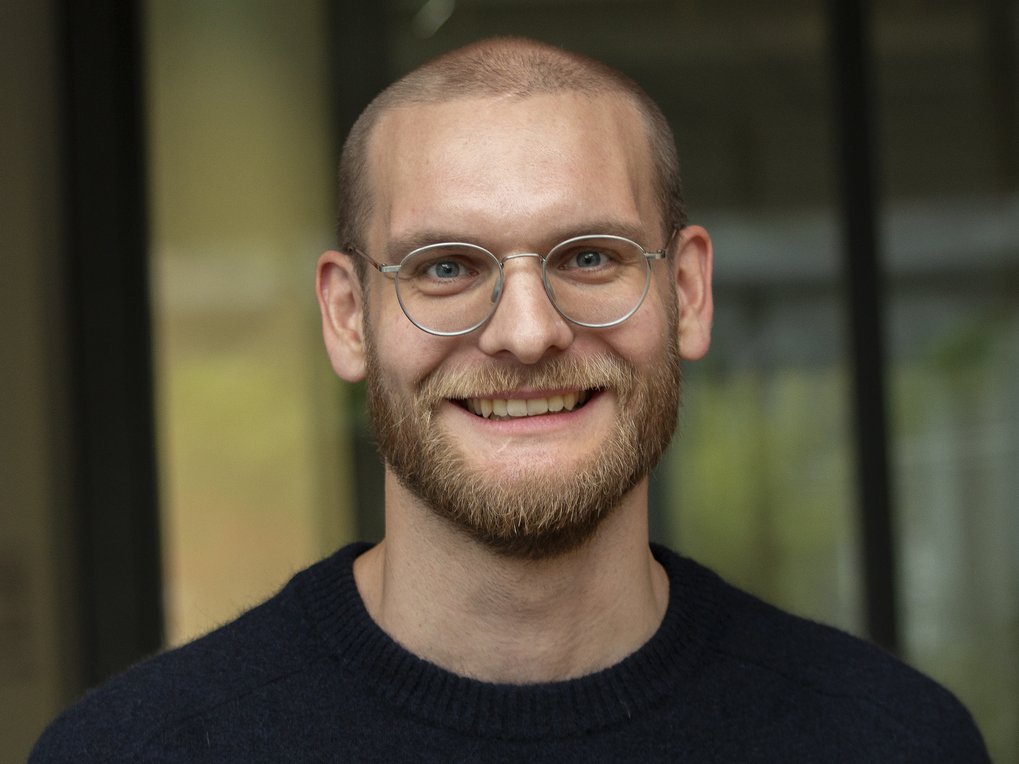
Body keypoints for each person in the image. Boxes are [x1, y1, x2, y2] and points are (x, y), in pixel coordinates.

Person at [32, 37, 988, 762]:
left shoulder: (887, 740)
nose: (526, 332)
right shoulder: (137, 751)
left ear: (687, 295)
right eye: (444, 266)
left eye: (588, 257)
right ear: (347, 316)